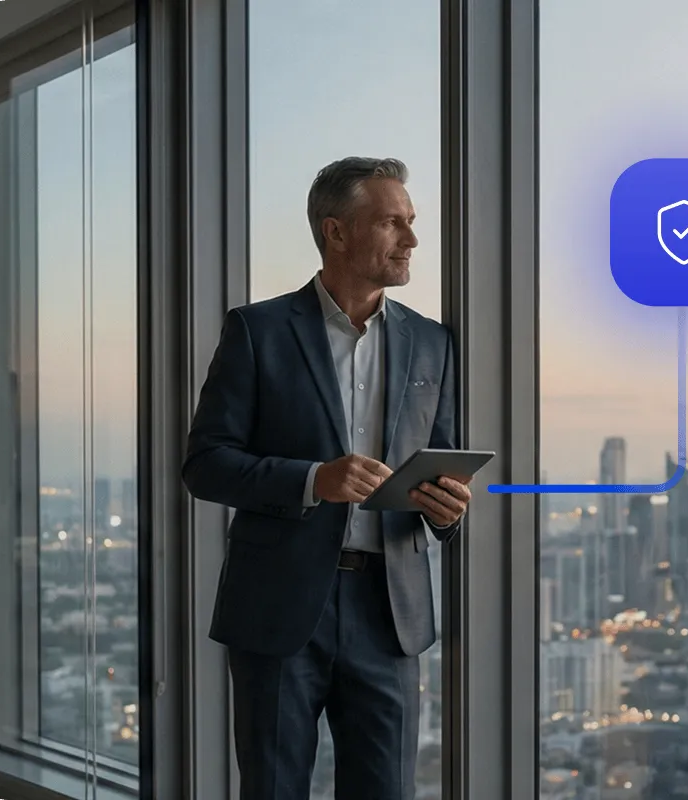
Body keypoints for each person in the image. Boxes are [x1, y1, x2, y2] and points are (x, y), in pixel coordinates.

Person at [181, 157, 471, 800]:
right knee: (273, 786)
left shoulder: (433, 343)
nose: (412, 240)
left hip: (390, 612)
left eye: (412, 222)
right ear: (336, 232)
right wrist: (316, 479)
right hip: (280, 606)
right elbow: (205, 463)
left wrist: (447, 510)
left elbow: (441, 461)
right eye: (393, 223)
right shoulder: (256, 331)